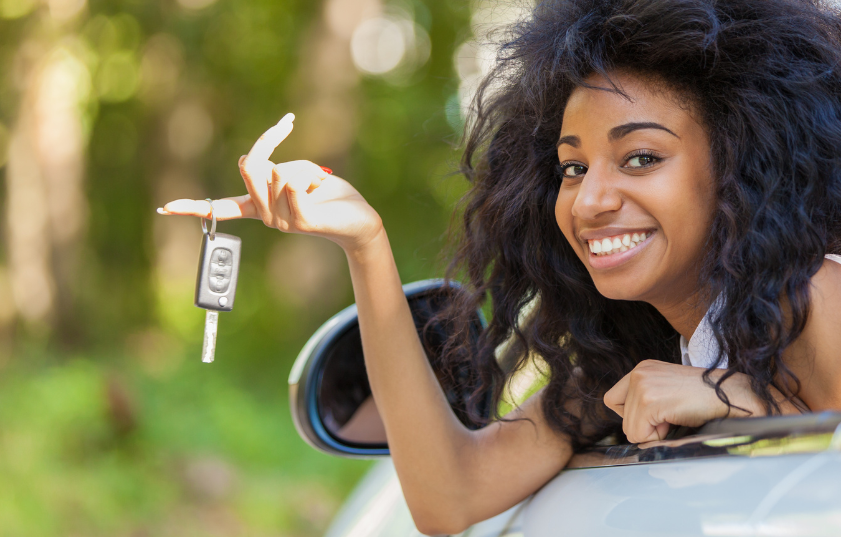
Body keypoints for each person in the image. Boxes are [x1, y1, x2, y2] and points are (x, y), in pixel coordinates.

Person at [158, 0, 841, 533]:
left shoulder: (815, 294)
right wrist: (364, 243)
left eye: (640, 157)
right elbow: (448, 495)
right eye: (572, 167)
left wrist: (740, 401)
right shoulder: (623, 360)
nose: (591, 199)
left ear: (741, 167)